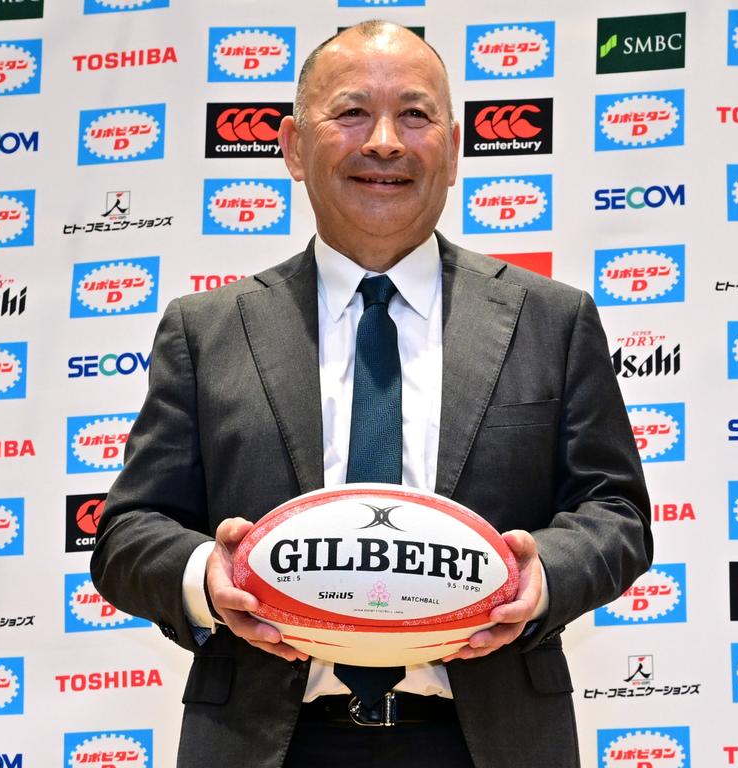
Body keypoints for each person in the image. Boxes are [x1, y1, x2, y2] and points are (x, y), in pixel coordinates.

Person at [91, 20, 652, 768]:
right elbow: (128, 533)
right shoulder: (208, 330)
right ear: (293, 147)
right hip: (264, 743)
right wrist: (209, 576)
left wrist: (540, 574)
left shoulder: (550, 320)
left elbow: (616, 514)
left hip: (489, 742)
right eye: (352, 112)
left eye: (415, 115)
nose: (384, 141)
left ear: (453, 151)